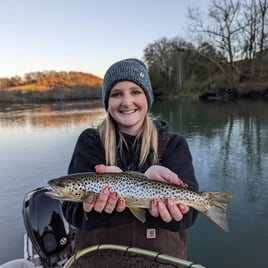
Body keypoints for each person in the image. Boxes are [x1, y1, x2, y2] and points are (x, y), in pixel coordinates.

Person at [62, 58, 199, 267]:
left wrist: (170, 213)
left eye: (136, 91)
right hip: (99, 261)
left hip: (162, 261)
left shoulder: (174, 144)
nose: (126, 102)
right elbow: (71, 211)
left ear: (147, 97)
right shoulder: (90, 141)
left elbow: (189, 217)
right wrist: (93, 209)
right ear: (107, 101)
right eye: (117, 94)